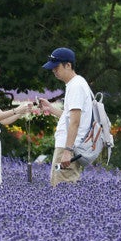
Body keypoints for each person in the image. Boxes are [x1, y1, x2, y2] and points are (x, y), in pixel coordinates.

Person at [39, 47, 93, 186]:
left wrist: (67, 151)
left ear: (68, 65)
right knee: (61, 187)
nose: (54, 71)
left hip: (68, 147)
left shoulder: (76, 86)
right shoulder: (76, 84)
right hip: (69, 146)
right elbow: (70, 117)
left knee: (62, 190)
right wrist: (50, 109)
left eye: (56, 67)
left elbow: (75, 122)